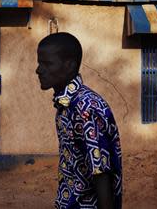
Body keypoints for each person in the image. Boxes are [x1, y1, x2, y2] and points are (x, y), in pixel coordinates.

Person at [36, 32, 122, 209]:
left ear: (69, 66)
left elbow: (101, 171)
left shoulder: (86, 107)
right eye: (39, 63)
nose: (38, 70)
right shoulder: (66, 104)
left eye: (47, 64)